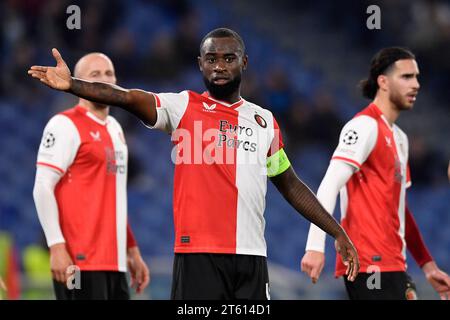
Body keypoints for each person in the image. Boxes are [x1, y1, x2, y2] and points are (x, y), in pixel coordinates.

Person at [28, 28, 359, 300]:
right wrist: (73, 84)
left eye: (228, 58)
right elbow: (127, 97)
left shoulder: (264, 121)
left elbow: (290, 184)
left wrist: (337, 232)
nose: (219, 66)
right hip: (198, 257)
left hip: (252, 258)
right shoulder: (182, 107)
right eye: (211, 59)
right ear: (200, 64)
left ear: (244, 62)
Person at [301, 47, 450, 300]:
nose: (415, 85)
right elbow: (329, 184)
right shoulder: (363, 126)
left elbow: (399, 209)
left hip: (394, 265)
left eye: (416, 77)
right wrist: (315, 246)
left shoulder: (401, 139)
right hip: (368, 265)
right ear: (383, 81)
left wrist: (427, 264)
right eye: (406, 77)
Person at [32, 52, 150, 300]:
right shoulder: (64, 124)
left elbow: (114, 196)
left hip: (114, 263)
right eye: (95, 75)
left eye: (109, 73)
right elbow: (42, 186)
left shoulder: (116, 129)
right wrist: (56, 246)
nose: (104, 80)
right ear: (80, 82)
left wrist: (131, 249)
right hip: (79, 262)